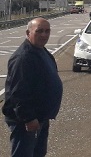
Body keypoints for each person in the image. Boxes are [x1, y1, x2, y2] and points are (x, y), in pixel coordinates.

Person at [3, 18, 63, 157]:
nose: (44, 35)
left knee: (38, 153)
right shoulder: (23, 58)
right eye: (39, 31)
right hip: (26, 121)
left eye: (47, 31)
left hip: (40, 117)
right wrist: (29, 118)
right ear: (28, 33)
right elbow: (19, 93)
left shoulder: (41, 50)